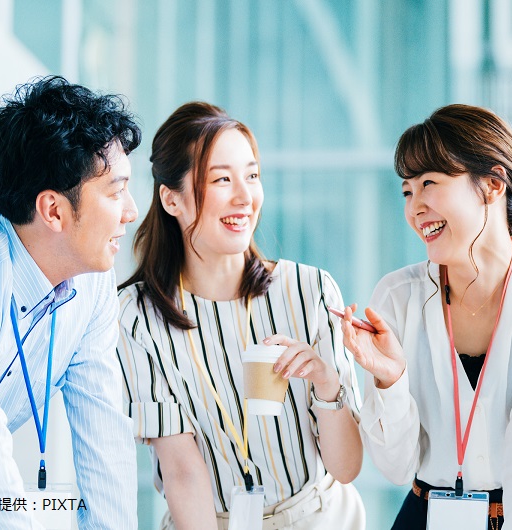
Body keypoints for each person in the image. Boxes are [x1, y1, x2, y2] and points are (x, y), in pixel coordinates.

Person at [340, 104, 512, 529]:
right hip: (425, 515)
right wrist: (391, 380)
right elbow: (396, 467)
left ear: (492, 184)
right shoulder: (397, 296)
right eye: (407, 190)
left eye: (429, 184)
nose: (415, 207)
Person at [116, 101, 365, 530]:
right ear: (171, 199)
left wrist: (326, 383)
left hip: (319, 517)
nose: (245, 197)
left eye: (251, 176)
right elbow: (182, 472)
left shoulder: (309, 290)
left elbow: (345, 469)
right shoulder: (138, 318)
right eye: (221, 180)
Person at [0, 76, 140, 528]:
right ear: (53, 210)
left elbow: (105, 437)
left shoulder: (91, 285)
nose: (131, 211)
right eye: (116, 191)